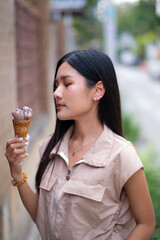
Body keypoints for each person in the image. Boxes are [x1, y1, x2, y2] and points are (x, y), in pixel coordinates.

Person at [5, 49, 155, 240]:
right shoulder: (49, 147)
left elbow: (146, 223)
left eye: (67, 84)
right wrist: (16, 171)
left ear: (98, 90)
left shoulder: (121, 154)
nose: (56, 93)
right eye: (56, 85)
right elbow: (42, 218)